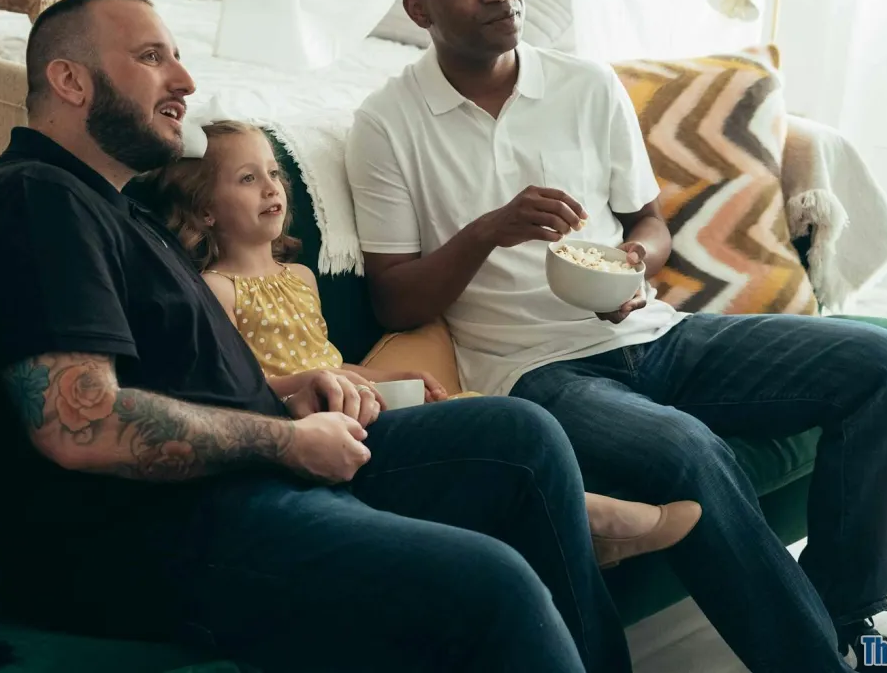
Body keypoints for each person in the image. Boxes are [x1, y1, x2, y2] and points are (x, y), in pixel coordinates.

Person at [0, 0, 635, 673]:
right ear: (70, 80)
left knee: (519, 436)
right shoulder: (36, 201)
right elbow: (80, 424)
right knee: (494, 584)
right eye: (151, 57)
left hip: (248, 471)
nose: (184, 78)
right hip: (161, 531)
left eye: (177, 54)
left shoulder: (116, 208)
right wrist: (289, 441)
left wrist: (287, 388)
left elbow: (171, 373)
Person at [345, 0, 887, 673]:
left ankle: (845, 614)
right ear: (418, 8)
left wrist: (633, 263)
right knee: (687, 448)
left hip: (658, 334)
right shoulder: (386, 124)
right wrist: (490, 229)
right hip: (540, 372)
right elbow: (396, 301)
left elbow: (649, 222)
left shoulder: (586, 85)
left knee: (886, 366)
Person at [133, 118, 702, 568]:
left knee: (477, 411)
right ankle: (599, 520)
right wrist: (309, 389)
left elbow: (328, 360)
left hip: (355, 400)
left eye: (274, 174)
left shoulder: (300, 279)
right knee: (505, 437)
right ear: (205, 209)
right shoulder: (218, 290)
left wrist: (380, 379)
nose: (272, 188)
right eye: (247, 179)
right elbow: (237, 386)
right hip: (311, 424)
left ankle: (578, 527)